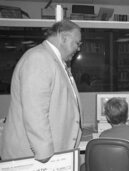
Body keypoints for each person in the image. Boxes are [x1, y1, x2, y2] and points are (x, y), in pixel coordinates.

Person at [1, 20, 83, 163]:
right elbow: (35, 110)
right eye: (77, 43)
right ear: (64, 38)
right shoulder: (39, 58)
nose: (78, 48)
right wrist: (44, 153)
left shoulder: (54, 60)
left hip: (49, 155)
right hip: (36, 157)